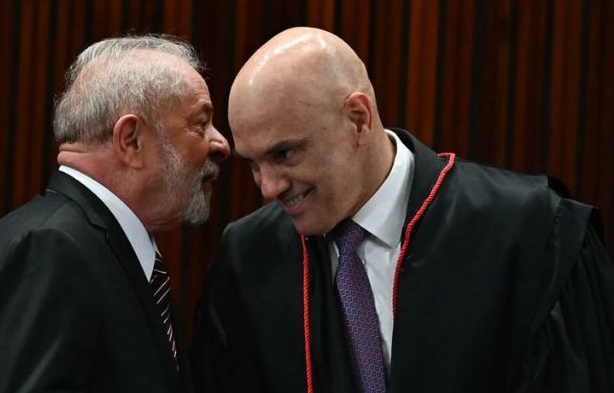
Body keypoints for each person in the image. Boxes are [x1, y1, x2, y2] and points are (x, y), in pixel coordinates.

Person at [191, 27, 614, 392]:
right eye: (253, 164)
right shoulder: (249, 260)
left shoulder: (532, 234)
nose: (269, 188)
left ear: (358, 118)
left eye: (285, 154)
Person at [0, 35, 230, 392]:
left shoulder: (99, 246)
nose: (221, 144)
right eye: (200, 123)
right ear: (131, 140)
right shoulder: (49, 250)